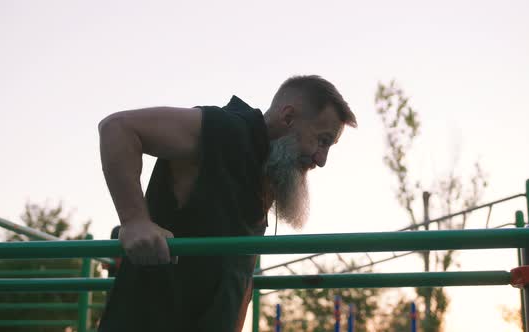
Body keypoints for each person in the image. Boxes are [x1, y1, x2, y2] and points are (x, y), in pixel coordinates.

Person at [97, 75, 357, 331]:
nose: (322, 159)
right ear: (288, 117)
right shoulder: (225, 128)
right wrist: (135, 221)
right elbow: (118, 127)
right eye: (322, 140)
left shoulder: (268, 167)